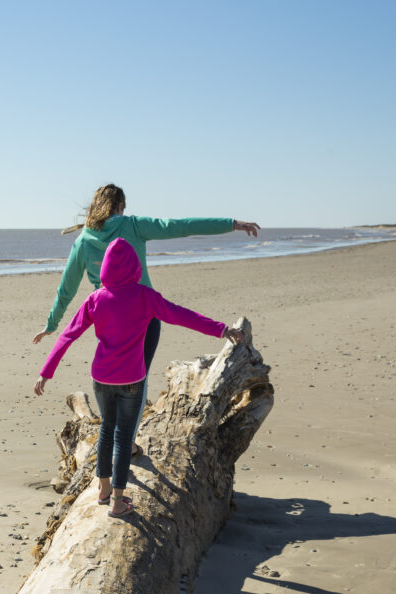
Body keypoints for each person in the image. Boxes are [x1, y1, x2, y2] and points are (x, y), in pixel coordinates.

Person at [32, 183, 259, 446]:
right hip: (144, 314)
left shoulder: (84, 240)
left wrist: (51, 324)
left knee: (112, 376)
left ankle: (114, 439)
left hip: (107, 318)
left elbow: (66, 288)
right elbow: (180, 226)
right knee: (137, 379)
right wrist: (231, 224)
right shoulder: (134, 225)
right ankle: (125, 441)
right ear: (119, 206)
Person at [33, 238, 243, 518]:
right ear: (134, 266)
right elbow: (182, 316)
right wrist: (221, 330)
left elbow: (68, 335)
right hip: (131, 380)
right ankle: (118, 502)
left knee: (107, 430)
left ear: (105, 267)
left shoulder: (95, 298)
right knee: (122, 437)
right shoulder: (145, 296)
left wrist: (46, 372)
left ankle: (104, 489)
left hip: (101, 378)